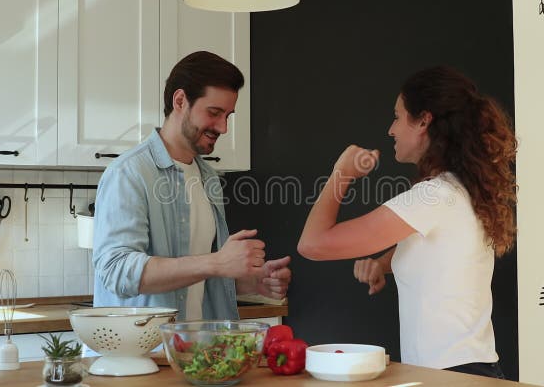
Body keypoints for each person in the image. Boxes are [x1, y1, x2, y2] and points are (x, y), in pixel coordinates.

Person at [297, 65, 516, 379]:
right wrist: (384, 263)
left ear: (424, 121)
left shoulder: (434, 196)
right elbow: (437, 252)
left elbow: (313, 244)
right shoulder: (457, 190)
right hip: (463, 372)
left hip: (451, 376)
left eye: (398, 116)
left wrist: (341, 172)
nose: (391, 129)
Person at [93, 51, 292, 321]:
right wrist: (218, 262)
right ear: (180, 101)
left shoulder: (208, 177)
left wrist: (250, 282)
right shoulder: (129, 173)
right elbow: (115, 270)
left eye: (228, 116)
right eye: (214, 113)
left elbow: (197, 278)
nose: (223, 127)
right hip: (139, 357)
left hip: (192, 351)